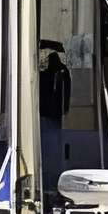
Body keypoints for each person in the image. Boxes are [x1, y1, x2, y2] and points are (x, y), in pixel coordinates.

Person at [38, 40, 71, 200]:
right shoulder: (62, 72)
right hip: (53, 115)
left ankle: (50, 184)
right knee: (51, 150)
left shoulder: (52, 74)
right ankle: (50, 184)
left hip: (48, 114)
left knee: (48, 150)